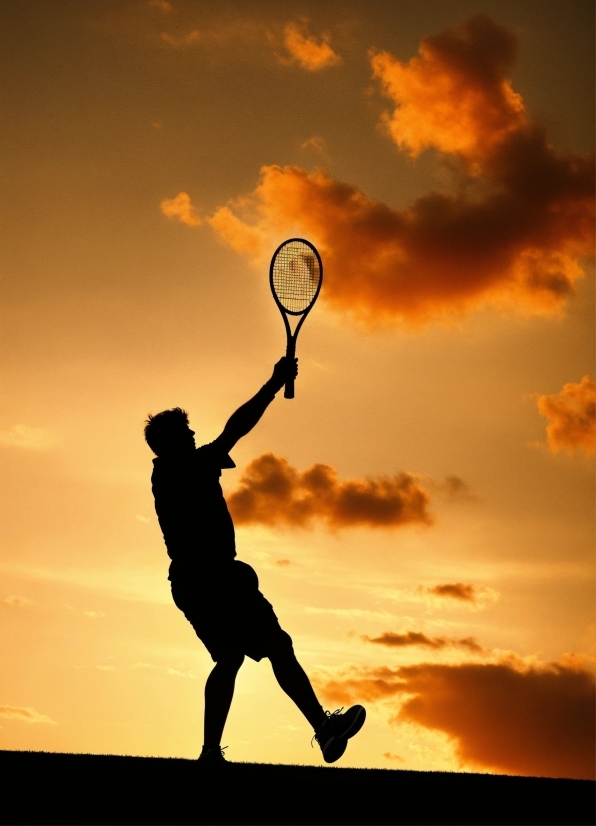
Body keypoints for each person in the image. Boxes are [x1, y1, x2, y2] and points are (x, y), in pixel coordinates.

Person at [145, 356, 365, 765]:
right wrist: (273, 384)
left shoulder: (177, 469)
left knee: (236, 656)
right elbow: (236, 428)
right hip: (210, 579)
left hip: (202, 581)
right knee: (271, 647)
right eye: (185, 429)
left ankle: (224, 748)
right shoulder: (181, 468)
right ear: (171, 440)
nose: (193, 432)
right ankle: (320, 728)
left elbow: (230, 432)